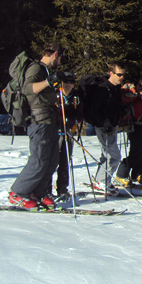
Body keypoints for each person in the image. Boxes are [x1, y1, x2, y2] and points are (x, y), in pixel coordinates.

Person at [9, 43, 65, 209]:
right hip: (38, 121)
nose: (60, 62)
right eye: (61, 58)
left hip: (49, 120)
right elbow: (28, 89)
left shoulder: (45, 70)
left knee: (52, 160)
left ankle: (38, 191)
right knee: (39, 161)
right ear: (55, 54)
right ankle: (17, 193)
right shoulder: (35, 68)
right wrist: (49, 82)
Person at [90, 61, 129, 193]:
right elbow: (94, 110)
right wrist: (104, 122)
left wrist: (122, 110)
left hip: (112, 124)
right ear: (111, 73)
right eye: (119, 74)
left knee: (106, 155)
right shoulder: (102, 88)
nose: (121, 77)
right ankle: (102, 181)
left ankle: (100, 180)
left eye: (123, 75)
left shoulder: (116, 87)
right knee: (114, 156)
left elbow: (114, 104)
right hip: (103, 126)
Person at [55, 72, 84, 201]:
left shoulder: (76, 98)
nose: (68, 84)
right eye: (66, 81)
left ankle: (62, 189)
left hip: (68, 134)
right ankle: (44, 191)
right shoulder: (55, 95)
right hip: (54, 134)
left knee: (65, 163)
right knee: (50, 163)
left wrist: (73, 119)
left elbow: (81, 115)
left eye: (71, 82)